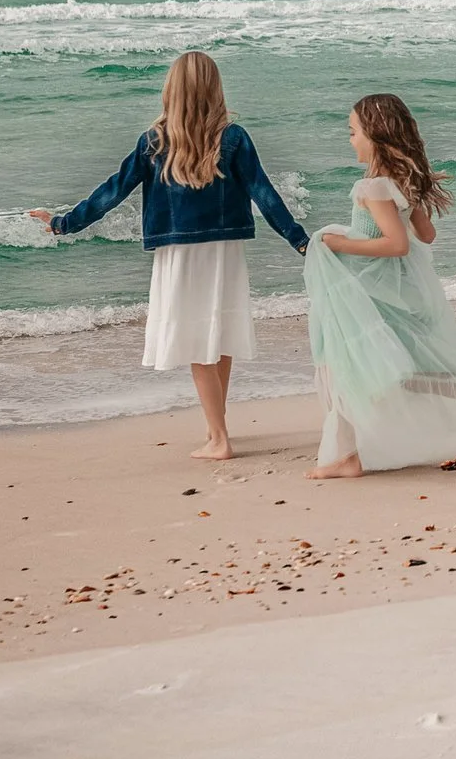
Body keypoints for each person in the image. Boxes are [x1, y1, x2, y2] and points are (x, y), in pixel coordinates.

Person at [30, 50, 307, 462]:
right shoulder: (234, 137)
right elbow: (264, 194)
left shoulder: (155, 141)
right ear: (215, 89)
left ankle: (218, 438)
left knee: (198, 340)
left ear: (171, 90)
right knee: (220, 333)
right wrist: (300, 240)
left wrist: (63, 223)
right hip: (225, 249)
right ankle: (219, 426)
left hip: (180, 253)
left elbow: (113, 191)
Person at [304, 93, 456, 478]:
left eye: (353, 132)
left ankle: (346, 457)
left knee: (351, 364)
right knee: (404, 372)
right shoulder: (401, 183)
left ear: (374, 134)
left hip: (375, 293)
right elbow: (428, 235)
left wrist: (339, 243)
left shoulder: (371, 188)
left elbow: (396, 244)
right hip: (397, 288)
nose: (349, 139)